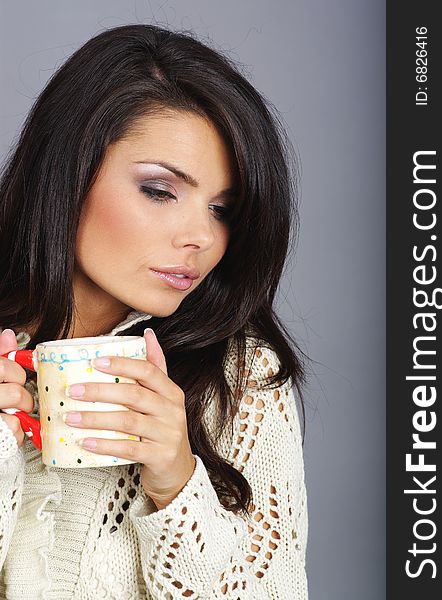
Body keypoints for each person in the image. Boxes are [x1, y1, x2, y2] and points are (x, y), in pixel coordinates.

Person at [0, 23, 308, 599]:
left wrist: (177, 485)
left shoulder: (243, 380)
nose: (201, 238)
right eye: (161, 190)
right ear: (68, 172)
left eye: (222, 210)